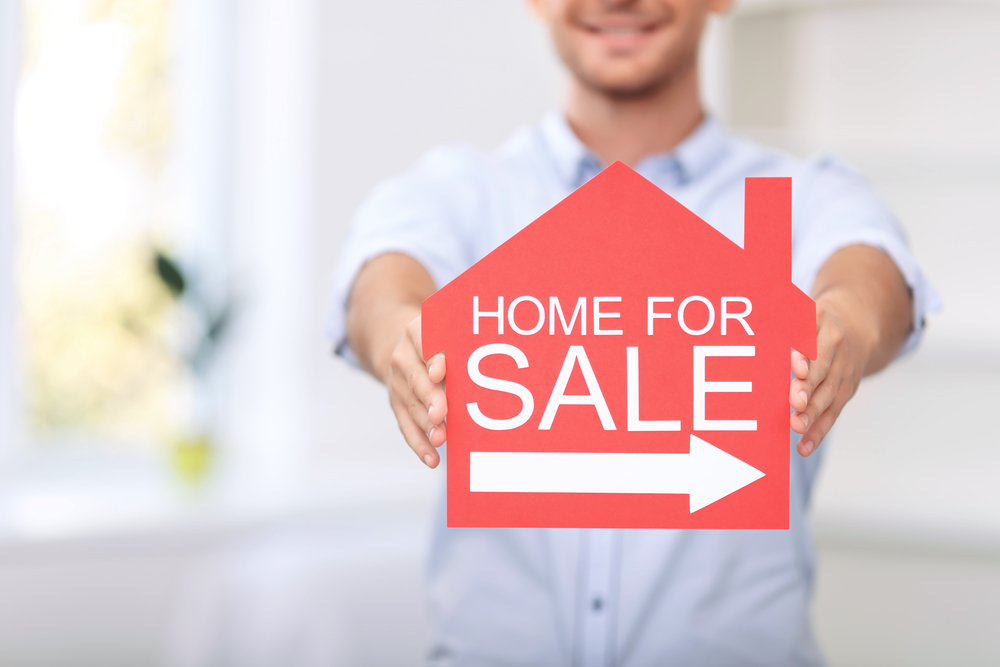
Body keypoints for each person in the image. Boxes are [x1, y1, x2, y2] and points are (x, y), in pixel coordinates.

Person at [327, 0, 938, 664]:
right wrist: (402, 335)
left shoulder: (796, 195)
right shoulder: (464, 193)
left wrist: (845, 319)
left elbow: (870, 270)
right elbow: (382, 282)